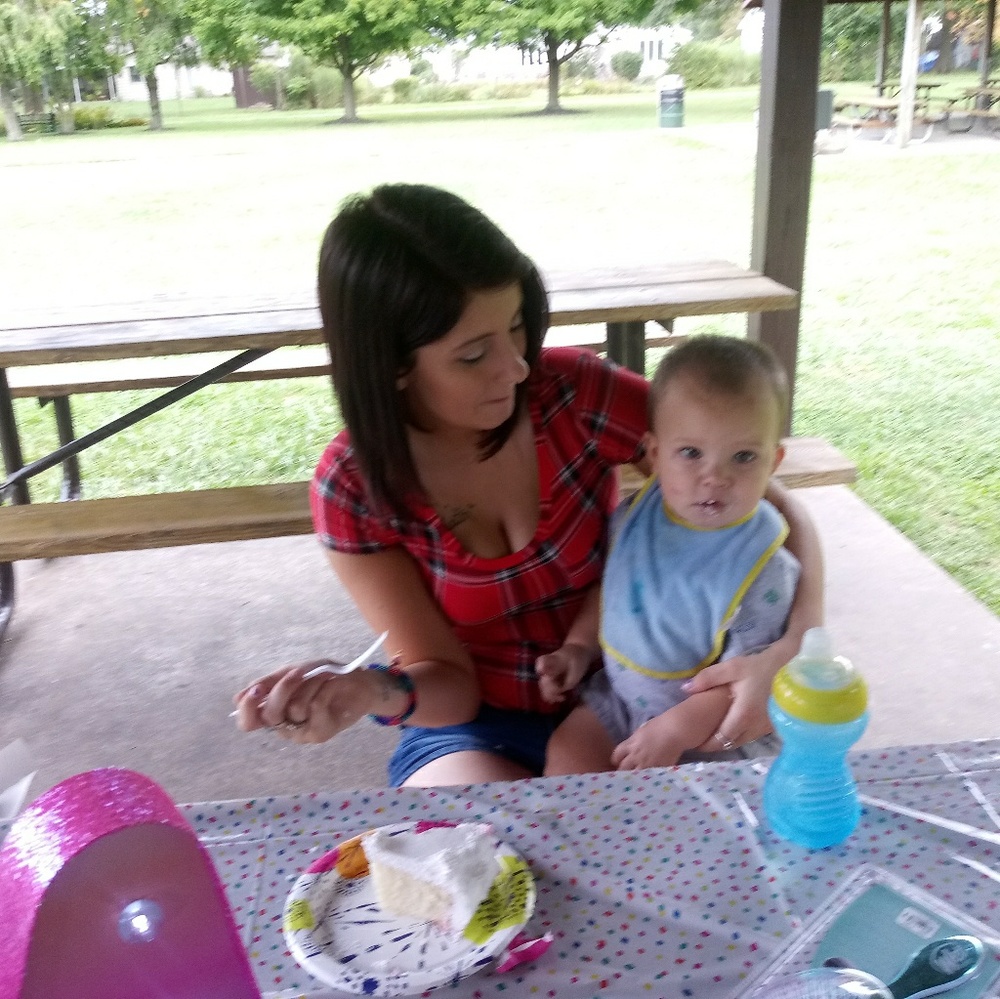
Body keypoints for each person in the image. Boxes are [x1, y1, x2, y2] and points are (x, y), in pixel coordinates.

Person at [233, 183, 824, 787]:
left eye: (516, 327)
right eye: (472, 354)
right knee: (478, 850)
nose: (516, 368)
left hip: (629, 699)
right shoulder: (357, 489)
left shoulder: (571, 395)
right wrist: (366, 690)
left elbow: (762, 502)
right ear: (392, 364)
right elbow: (448, 686)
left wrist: (794, 645)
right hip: (476, 726)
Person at [541, 335, 801, 774]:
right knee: (567, 752)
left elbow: (747, 680)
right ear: (655, 454)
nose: (714, 477)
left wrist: (675, 730)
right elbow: (616, 587)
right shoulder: (634, 518)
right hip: (621, 700)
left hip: (712, 730)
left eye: (743, 456)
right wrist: (579, 647)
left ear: (773, 462)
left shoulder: (764, 568)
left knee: (713, 809)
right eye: (691, 453)